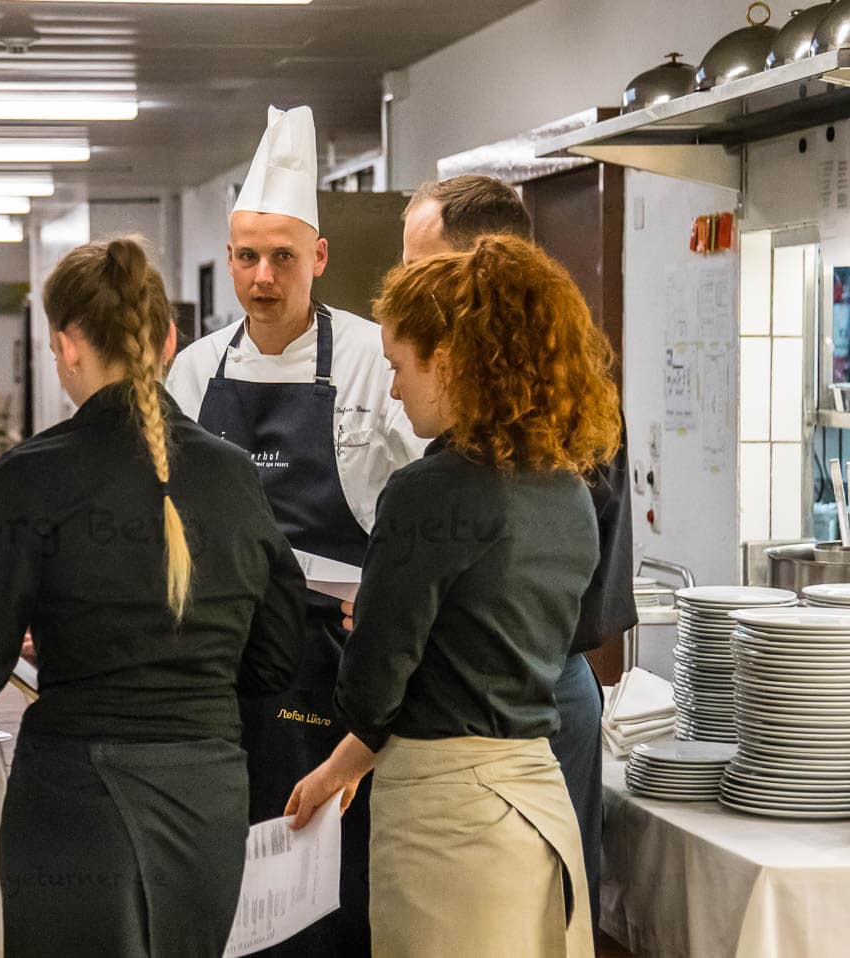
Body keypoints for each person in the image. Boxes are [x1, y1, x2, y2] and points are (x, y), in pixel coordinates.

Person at [0, 237, 308, 958]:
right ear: (167, 340)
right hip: (209, 796)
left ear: (67, 347)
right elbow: (277, 655)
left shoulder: (29, 477)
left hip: (77, 797)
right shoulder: (233, 475)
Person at [286, 235, 622, 958]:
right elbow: (472, 660)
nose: (396, 388)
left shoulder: (426, 492)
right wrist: (339, 769)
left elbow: (371, 689)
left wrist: (372, 611)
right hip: (536, 807)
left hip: (450, 825)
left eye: (400, 366)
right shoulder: (567, 490)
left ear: (451, 361)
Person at [166, 105, 424, 958]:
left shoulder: (368, 357)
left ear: (318, 257)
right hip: (220, 660)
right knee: (225, 867)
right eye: (247, 256)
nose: (263, 277)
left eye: (283, 256)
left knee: (332, 883)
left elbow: (428, 494)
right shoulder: (194, 369)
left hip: (335, 662)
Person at [401, 174, 638, 924]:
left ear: (478, 270)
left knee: (534, 917)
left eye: (421, 265)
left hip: (524, 698)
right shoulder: (451, 383)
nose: (405, 282)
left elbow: (565, 592)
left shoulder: (555, 396)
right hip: (513, 689)